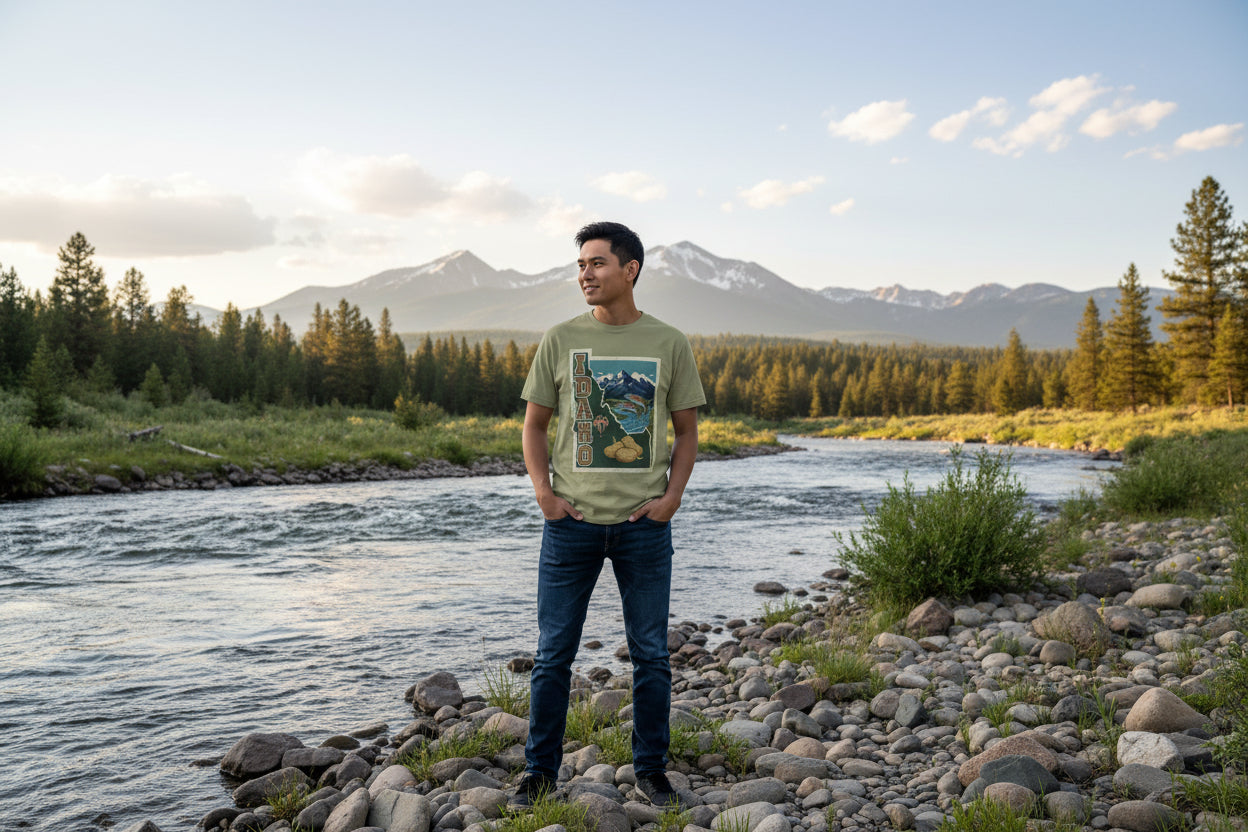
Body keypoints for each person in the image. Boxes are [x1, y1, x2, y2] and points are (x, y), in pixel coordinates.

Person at [512, 221, 705, 810]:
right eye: (580, 266)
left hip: (643, 529)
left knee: (649, 654)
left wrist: (670, 500)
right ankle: (539, 774)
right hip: (569, 526)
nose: (584, 275)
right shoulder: (561, 338)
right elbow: (534, 426)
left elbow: (688, 432)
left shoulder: (668, 342)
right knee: (552, 657)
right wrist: (545, 495)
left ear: (631, 270)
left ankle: (651, 769)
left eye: (596, 264)